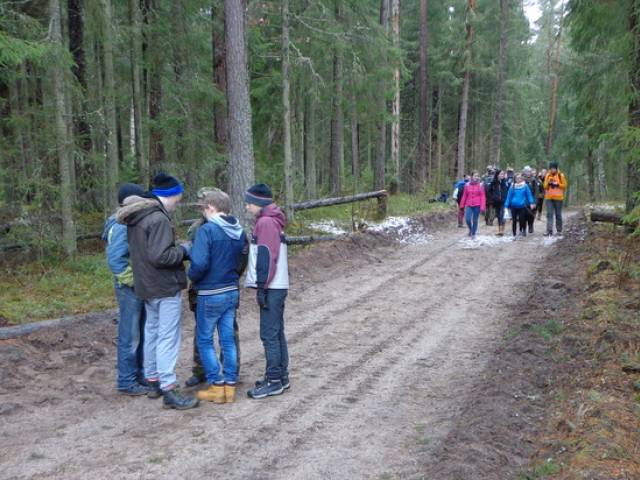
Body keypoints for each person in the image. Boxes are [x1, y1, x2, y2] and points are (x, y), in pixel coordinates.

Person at [117, 172, 198, 410]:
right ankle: (169, 388)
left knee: (151, 331)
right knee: (168, 336)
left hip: (146, 286)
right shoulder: (158, 219)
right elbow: (161, 256)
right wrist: (184, 250)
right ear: (168, 196)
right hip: (163, 286)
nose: (178, 203)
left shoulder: (137, 217)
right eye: (177, 198)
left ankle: (153, 380)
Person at [187, 189, 247, 404]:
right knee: (228, 339)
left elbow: (200, 264)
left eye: (203, 208)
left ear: (211, 207)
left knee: (205, 340)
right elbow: (242, 261)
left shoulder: (208, 231)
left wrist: (191, 275)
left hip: (210, 292)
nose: (202, 212)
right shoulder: (239, 230)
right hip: (231, 290)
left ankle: (216, 385)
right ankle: (229, 386)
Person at [244, 184, 291, 399]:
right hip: (277, 284)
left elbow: (265, 257)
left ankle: (274, 381)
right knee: (276, 331)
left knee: (269, 334)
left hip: (271, 286)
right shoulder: (274, 220)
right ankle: (280, 376)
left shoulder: (265, 222)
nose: (246, 206)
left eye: (249, 203)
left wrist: (261, 287)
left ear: (259, 203)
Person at [103, 183, 149, 396]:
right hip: (129, 288)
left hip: (136, 285)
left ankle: (138, 375)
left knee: (139, 332)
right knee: (130, 334)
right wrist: (132, 281)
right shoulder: (120, 225)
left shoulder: (129, 222)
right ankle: (126, 380)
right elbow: (116, 260)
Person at [504, 173, 536, 238]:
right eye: (517, 178)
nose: (518, 179)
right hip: (514, 206)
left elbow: (529, 195)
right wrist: (506, 206)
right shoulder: (512, 186)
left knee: (522, 220)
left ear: (521, 179)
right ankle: (514, 234)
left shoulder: (525, 186)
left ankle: (523, 230)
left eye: (520, 178)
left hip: (522, 206)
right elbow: (508, 197)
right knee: (514, 221)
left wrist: (532, 202)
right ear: (515, 179)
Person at [459, 171, 486, 240]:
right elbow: (464, 195)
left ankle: (473, 234)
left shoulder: (480, 185)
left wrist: (482, 207)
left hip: (477, 205)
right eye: (475, 176)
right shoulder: (467, 185)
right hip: (469, 204)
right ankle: (471, 229)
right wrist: (462, 205)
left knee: (475, 220)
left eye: (477, 176)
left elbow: (483, 196)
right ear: (471, 177)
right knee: (467, 219)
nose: (476, 177)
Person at [543, 161, 568, 236]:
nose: (552, 170)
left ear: (556, 169)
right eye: (551, 168)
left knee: (558, 214)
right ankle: (549, 230)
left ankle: (559, 231)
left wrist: (557, 184)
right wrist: (549, 183)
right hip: (549, 198)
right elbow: (544, 186)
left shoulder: (561, 175)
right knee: (549, 214)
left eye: (553, 168)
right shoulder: (547, 175)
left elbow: (565, 185)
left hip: (558, 198)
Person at [488, 169, 509, 236]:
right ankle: (500, 230)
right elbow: (489, 191)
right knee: (498, 216)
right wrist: (492, 197)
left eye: (503, 174)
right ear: (497, 175)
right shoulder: (493, 182)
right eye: (501, 174)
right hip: (496, 202)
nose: (502, 175)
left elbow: (509, 191)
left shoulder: (506, 182)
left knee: (502, 215)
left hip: (504, 201)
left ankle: (501, 230)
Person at [522, 166, 539, 234]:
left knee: (531, 215)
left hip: (531, 201)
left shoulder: (534, 180)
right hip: (523, 201)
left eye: (529, 171)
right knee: (523, 215)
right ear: (524, 172)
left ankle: (530, 225)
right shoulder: (521, 179)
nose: (528, 173)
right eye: (527, 171)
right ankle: (523, 228)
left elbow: (536, 192)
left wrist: (534, 202)